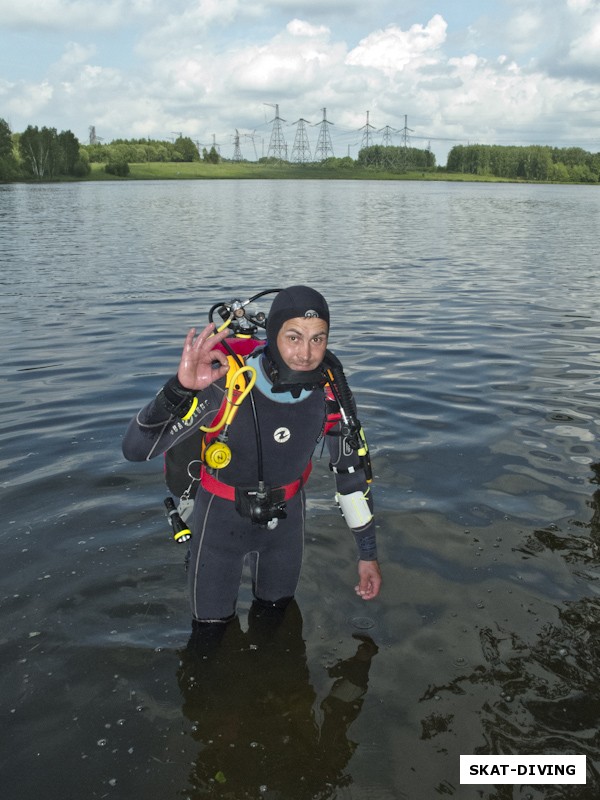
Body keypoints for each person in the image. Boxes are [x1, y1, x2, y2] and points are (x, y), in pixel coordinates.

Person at [122, 285, 382, 627]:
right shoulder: (226, 384)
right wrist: (179, 389)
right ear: (274, 334)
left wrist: (367, 556)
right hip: (218, 524)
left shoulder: (331, 394)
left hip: (285, 528)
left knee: (278, 623)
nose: (306, 353)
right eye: (294, 337)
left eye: (318, 339)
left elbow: (350, 478)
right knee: (209, 636)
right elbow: (136, 450)